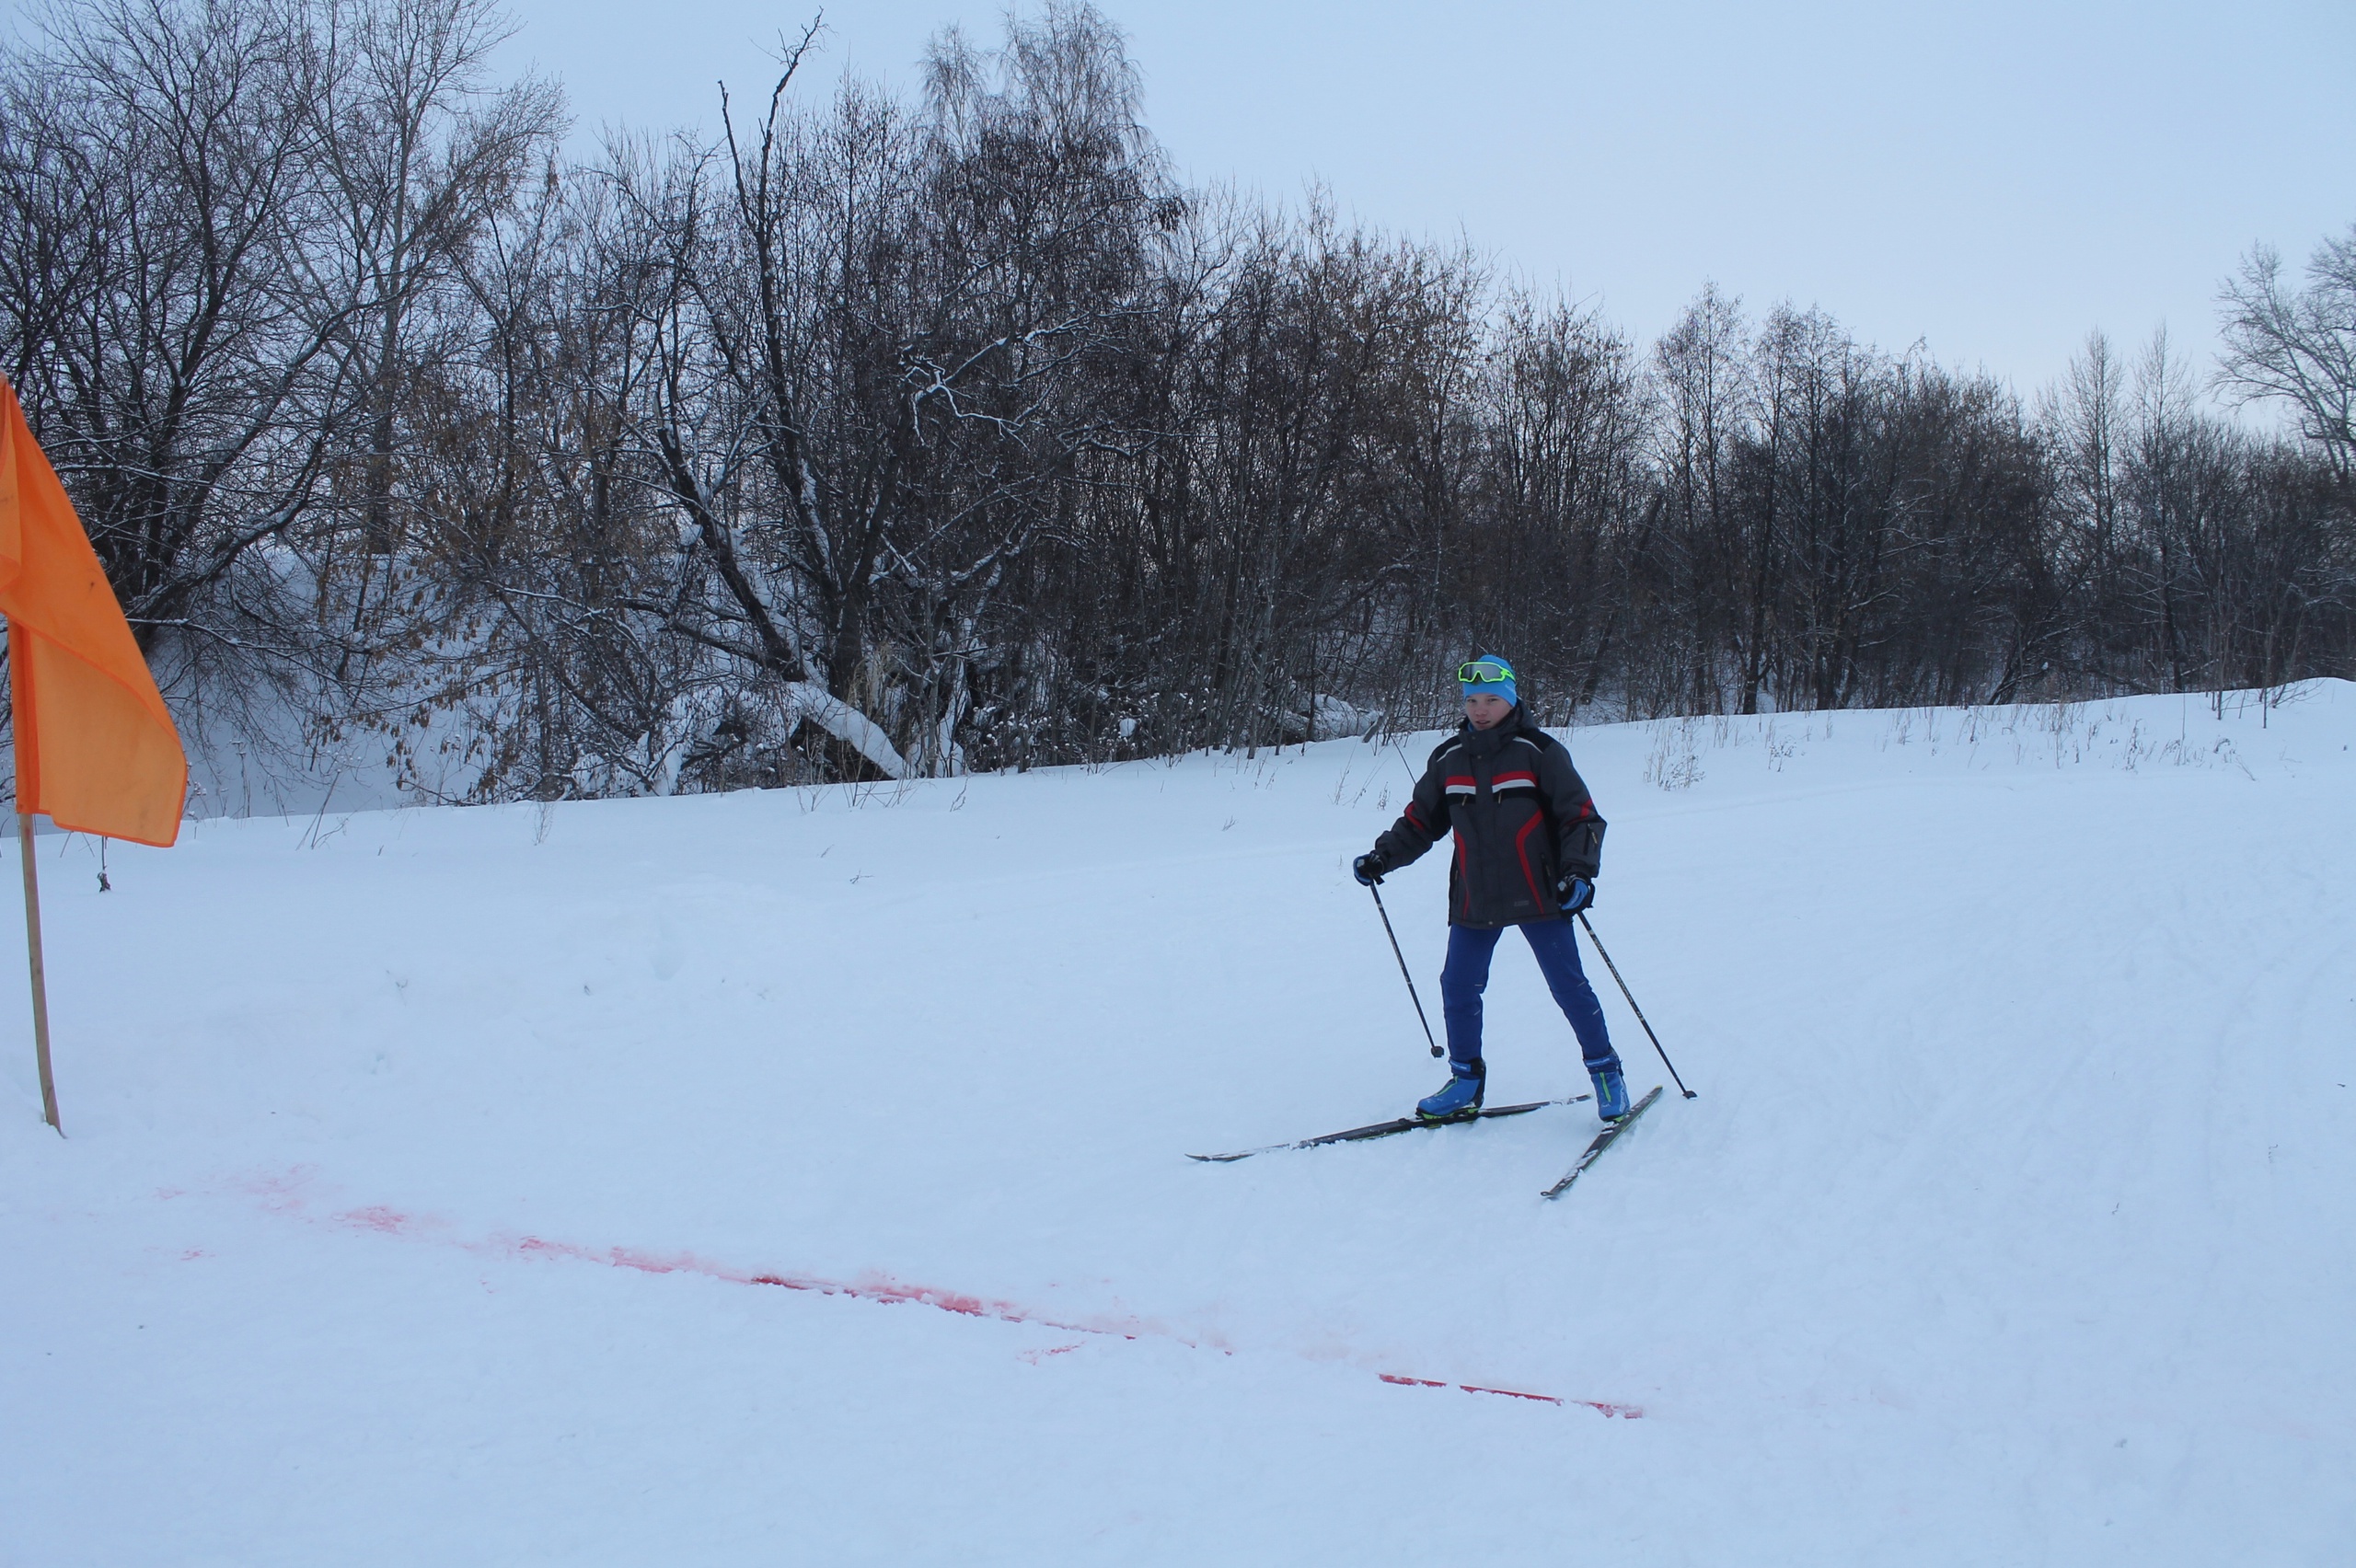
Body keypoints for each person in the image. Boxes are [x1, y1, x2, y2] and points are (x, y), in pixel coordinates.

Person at [1352, 655, 1629, 1123]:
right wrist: (1383, 856)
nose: (1480, 709)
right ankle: (1465, 1081)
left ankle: (1606, 1072)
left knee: (1568, 985)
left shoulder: (1539, 752)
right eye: (1472, 700)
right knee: (1458, 985)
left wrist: (1579, 873)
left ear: (1512, 699)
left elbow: (1581, 818)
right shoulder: (1448, 758)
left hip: (1541, 893)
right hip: (1475, 895)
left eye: (1492, 700)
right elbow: (1421, 822)